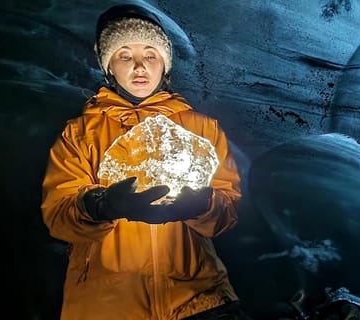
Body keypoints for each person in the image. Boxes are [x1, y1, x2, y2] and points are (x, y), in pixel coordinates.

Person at [40, 4, 251, 319]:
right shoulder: (80, 133)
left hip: (199, 300)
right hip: (108, 304)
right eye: (125, 56)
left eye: (150, 55)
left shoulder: (202, 129)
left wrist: (202, 206)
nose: (139, 67)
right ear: (109, 66)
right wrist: (101, 205)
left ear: (165, 65)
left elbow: (227, 211)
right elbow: (58, 215)